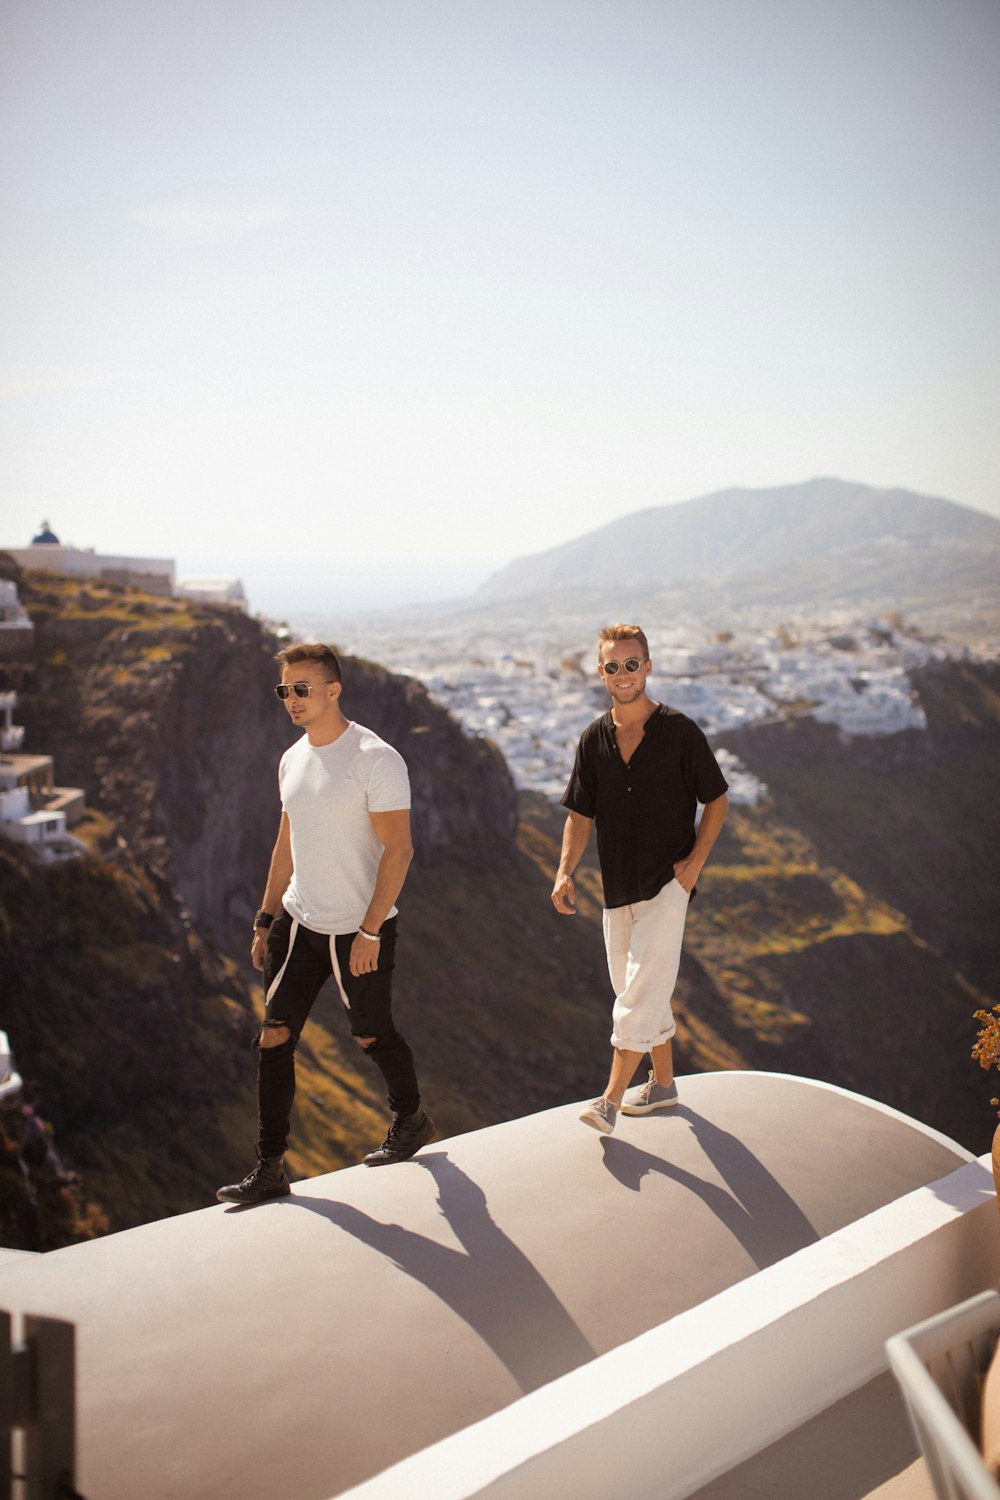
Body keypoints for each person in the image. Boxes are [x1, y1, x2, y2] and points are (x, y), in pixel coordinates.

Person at [217, 643, 435, 1204]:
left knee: (371, 1034)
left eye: (302, 688)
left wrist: (368, 931)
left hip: (359, 929)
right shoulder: (291, 759)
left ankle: (410, 1119)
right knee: (273, 1037)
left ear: (333, 690)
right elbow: (285, 844)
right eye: (284, 690)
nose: (291, 699)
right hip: (300, 922)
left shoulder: (374, 758)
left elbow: (400, 850)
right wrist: (266, 919)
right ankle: (270, 1168)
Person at [551, 624, 729, 1135]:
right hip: (616, 889)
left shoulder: (680, 732)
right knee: (639, 989)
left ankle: (609, 1100)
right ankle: (665, 1086)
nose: (623, 674)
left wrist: (693, 864)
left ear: (648, 667)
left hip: (668, 884)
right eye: (613, 665)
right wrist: (564, 870)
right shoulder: (593, 739)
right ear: (601, 672)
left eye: (632, 664)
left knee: (636, 995)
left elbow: (716, 799)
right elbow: (579, 814)